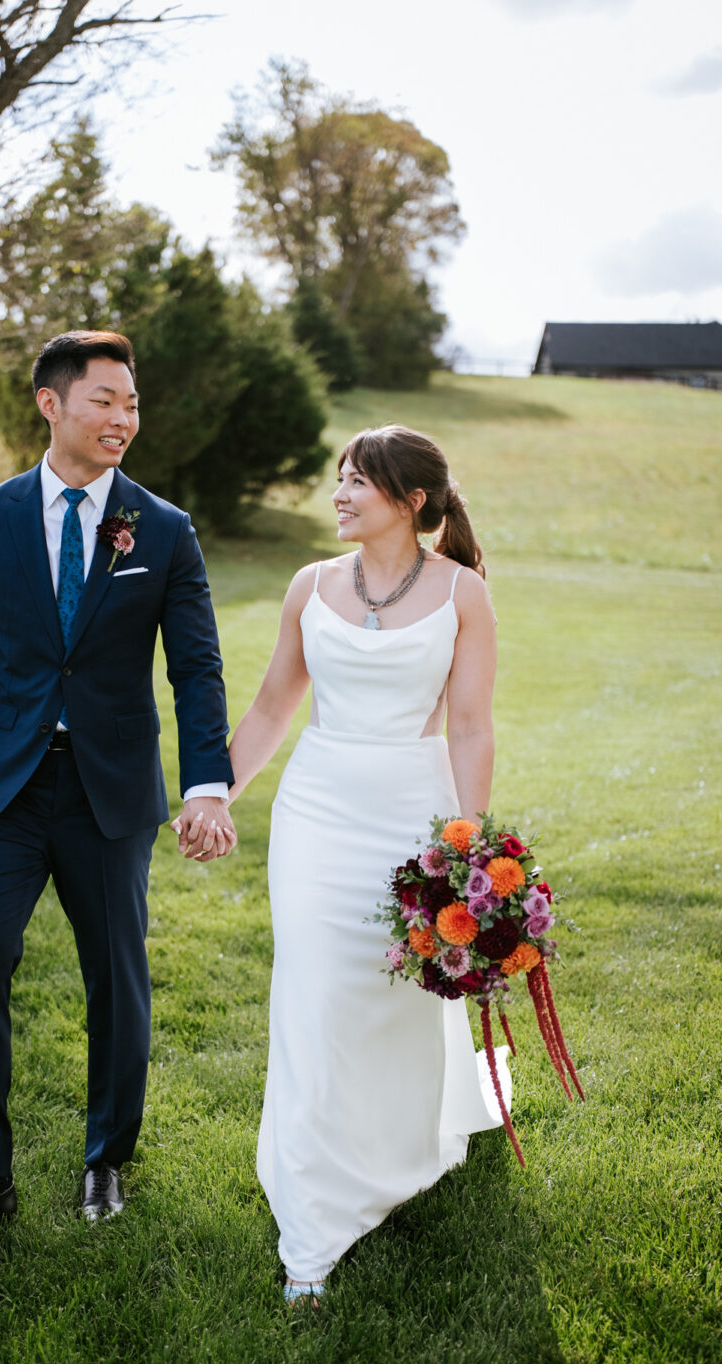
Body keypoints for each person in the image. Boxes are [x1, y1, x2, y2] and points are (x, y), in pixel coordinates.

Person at [0, 330, 236, 1249]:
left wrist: (209, 784)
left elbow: (196, 669)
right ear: (52, 405)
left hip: (112, 790)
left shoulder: (162, 530)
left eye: (131, 404)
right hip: (3, 785)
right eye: (105, 402)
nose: (123, 419)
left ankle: (104, 1159)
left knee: (116, 980)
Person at [227, 424, 511, 1304]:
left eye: (358, 482)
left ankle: (406, 1145)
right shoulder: (310, 585)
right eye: (338, 480)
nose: (340, 495)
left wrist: (471, 841)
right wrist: (214, 793)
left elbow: (468, 725)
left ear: (411, 501)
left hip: (411, 813)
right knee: (315, 991)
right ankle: (313, 1218)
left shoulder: (463, 595)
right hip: (316, 809)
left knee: (393, 994)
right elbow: (276, 702)